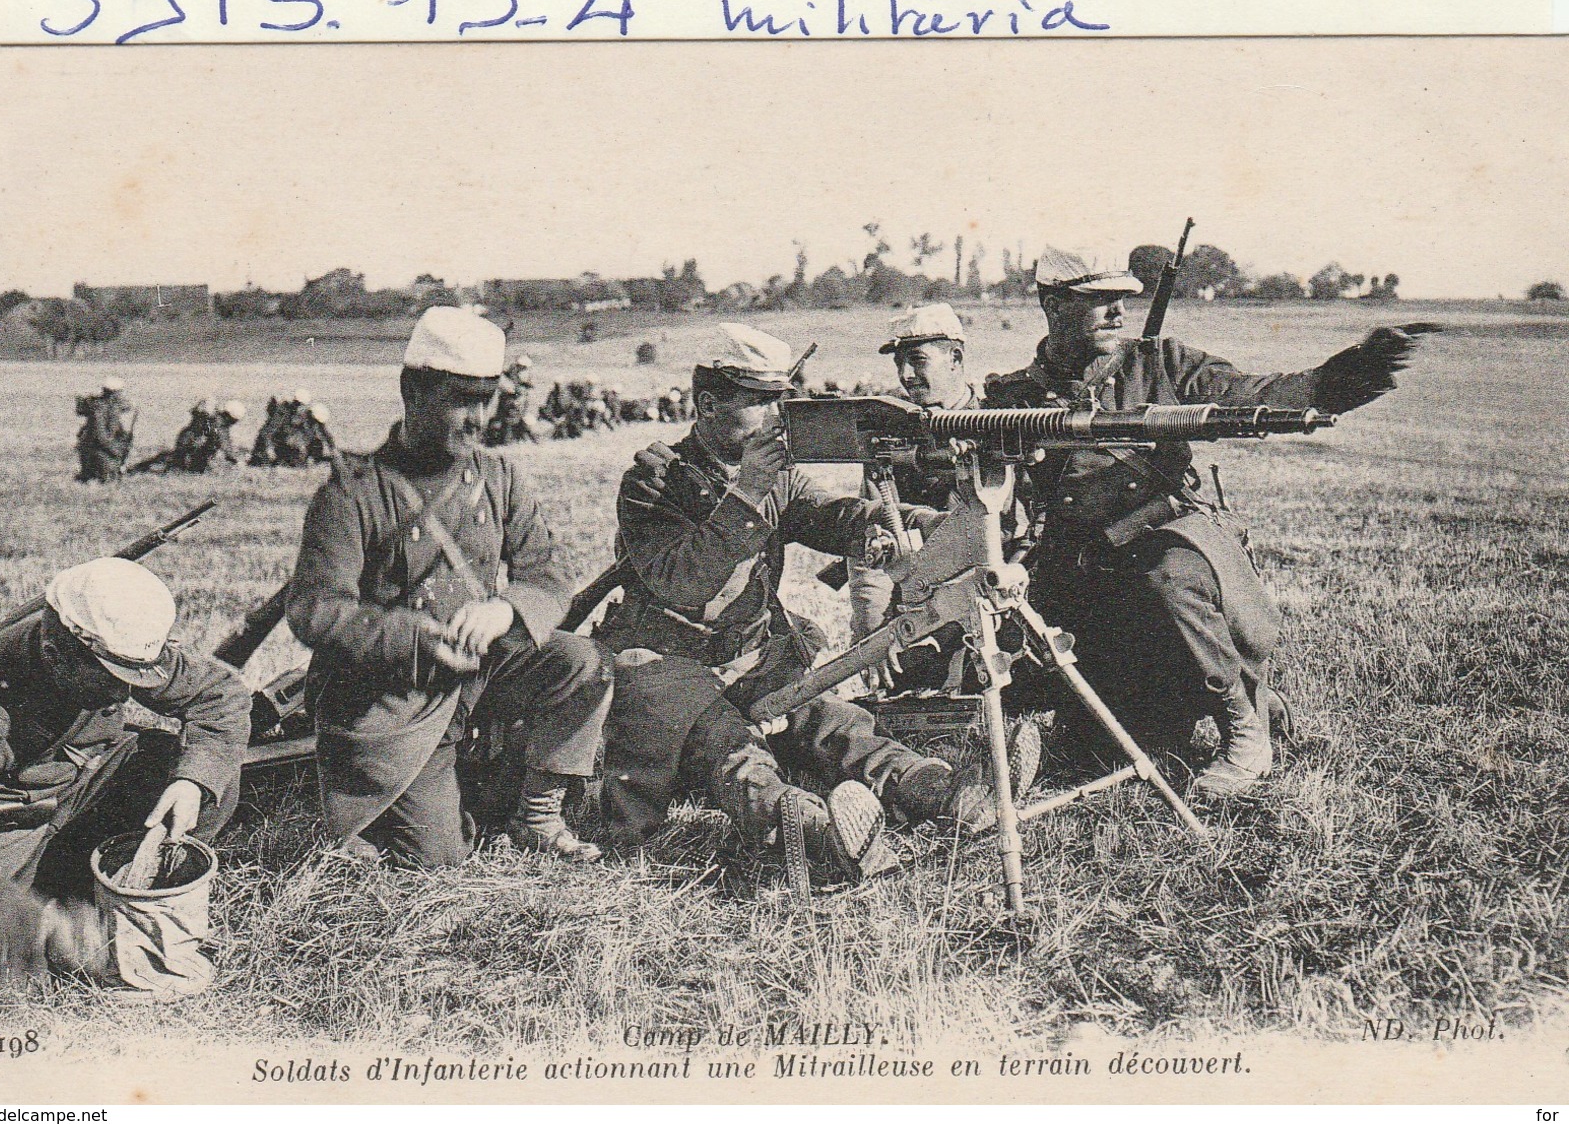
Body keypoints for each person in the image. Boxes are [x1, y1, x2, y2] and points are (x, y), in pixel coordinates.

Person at [983, 245, 1428, 797]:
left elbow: (1257, 395)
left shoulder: (1161, 364)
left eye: (1123, 299)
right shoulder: (1012, 396)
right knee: (1089, 727)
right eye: (1099, 302)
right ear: (1053, 306)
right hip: (1081, 567)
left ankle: (1243, 725)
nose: (1119, 313)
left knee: (1170, 577)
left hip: (1167, 541)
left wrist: (1355, 370)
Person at [593, 324, 990, 883]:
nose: (777, 416)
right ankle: (821, 838)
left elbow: (833, 515)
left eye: (780, 398)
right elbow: (684, 581)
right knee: (735, 754)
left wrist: (907, 525)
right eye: (760, 402)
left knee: (834, 722)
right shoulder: (653, 482)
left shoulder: (774, 475)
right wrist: (748, 492)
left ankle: (942, 792)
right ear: (708, 405)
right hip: (670, 665)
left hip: (753, 654)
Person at [286, 307, 614, 868]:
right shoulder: (354, 491)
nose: (478, 417)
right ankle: (439, 791)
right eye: (461, 399)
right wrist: (414, 638)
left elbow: (548, 575)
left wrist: (507, 611)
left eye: (487, 399)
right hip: (394, 699)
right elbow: (314, 610)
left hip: (479, 676)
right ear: (413, 392)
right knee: (438, 865)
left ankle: (536, 816)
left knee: (582, 663)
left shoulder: (498, 478)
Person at [0, 558, 251, 986]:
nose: (129, 692)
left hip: (78, 787)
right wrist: (49, 927)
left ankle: (100, 892)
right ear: (54, 657)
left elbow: (220, 697)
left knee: (198, 775)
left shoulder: (103, 644)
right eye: (115, 678)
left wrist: (192, 782)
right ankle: (51, 900)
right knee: (10, 989)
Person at [846, 304, 994, 694]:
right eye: (900, 364)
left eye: (917, 361)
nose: (906, 376)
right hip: (915, 601)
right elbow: (870, 543)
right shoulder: (891, 435)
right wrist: (872, 631)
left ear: (955, 358)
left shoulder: (1000, 425)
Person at [74, 377, 134, 484]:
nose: (121, 395)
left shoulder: (109, 406)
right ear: (113, 393)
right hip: (96, 451)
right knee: (109, 480)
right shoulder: (99, 409)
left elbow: (127, 406)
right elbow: (101, 437)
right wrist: (116, 451)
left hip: (102, 450)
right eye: (119, 392)